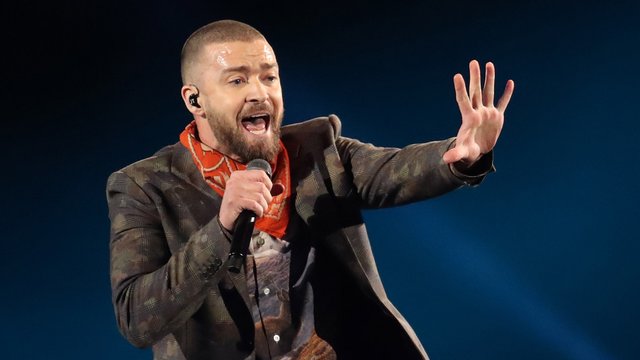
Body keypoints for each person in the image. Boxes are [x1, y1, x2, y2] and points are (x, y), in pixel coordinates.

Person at [107, 19, 514, 360]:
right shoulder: (145, 186)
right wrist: (222, 227)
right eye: (237, 80)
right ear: (195, 99)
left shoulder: (319, 151)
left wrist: (461, 155)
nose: (259, 92)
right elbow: (137, 320)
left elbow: (395, 170)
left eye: (270, 77)